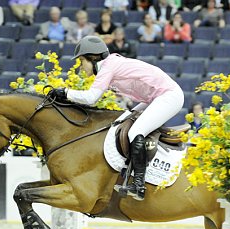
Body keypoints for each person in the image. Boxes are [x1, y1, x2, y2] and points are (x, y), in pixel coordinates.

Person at [53, 36, 184, 201]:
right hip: (153, 98)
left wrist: (64, 92)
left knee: (135, 131)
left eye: (82, 61)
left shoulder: (108, 67)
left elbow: (91, 98)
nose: (80, 66)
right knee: (122, 122)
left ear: (93, 58)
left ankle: (138, 185)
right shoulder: (109, 65)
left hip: (168, 96)